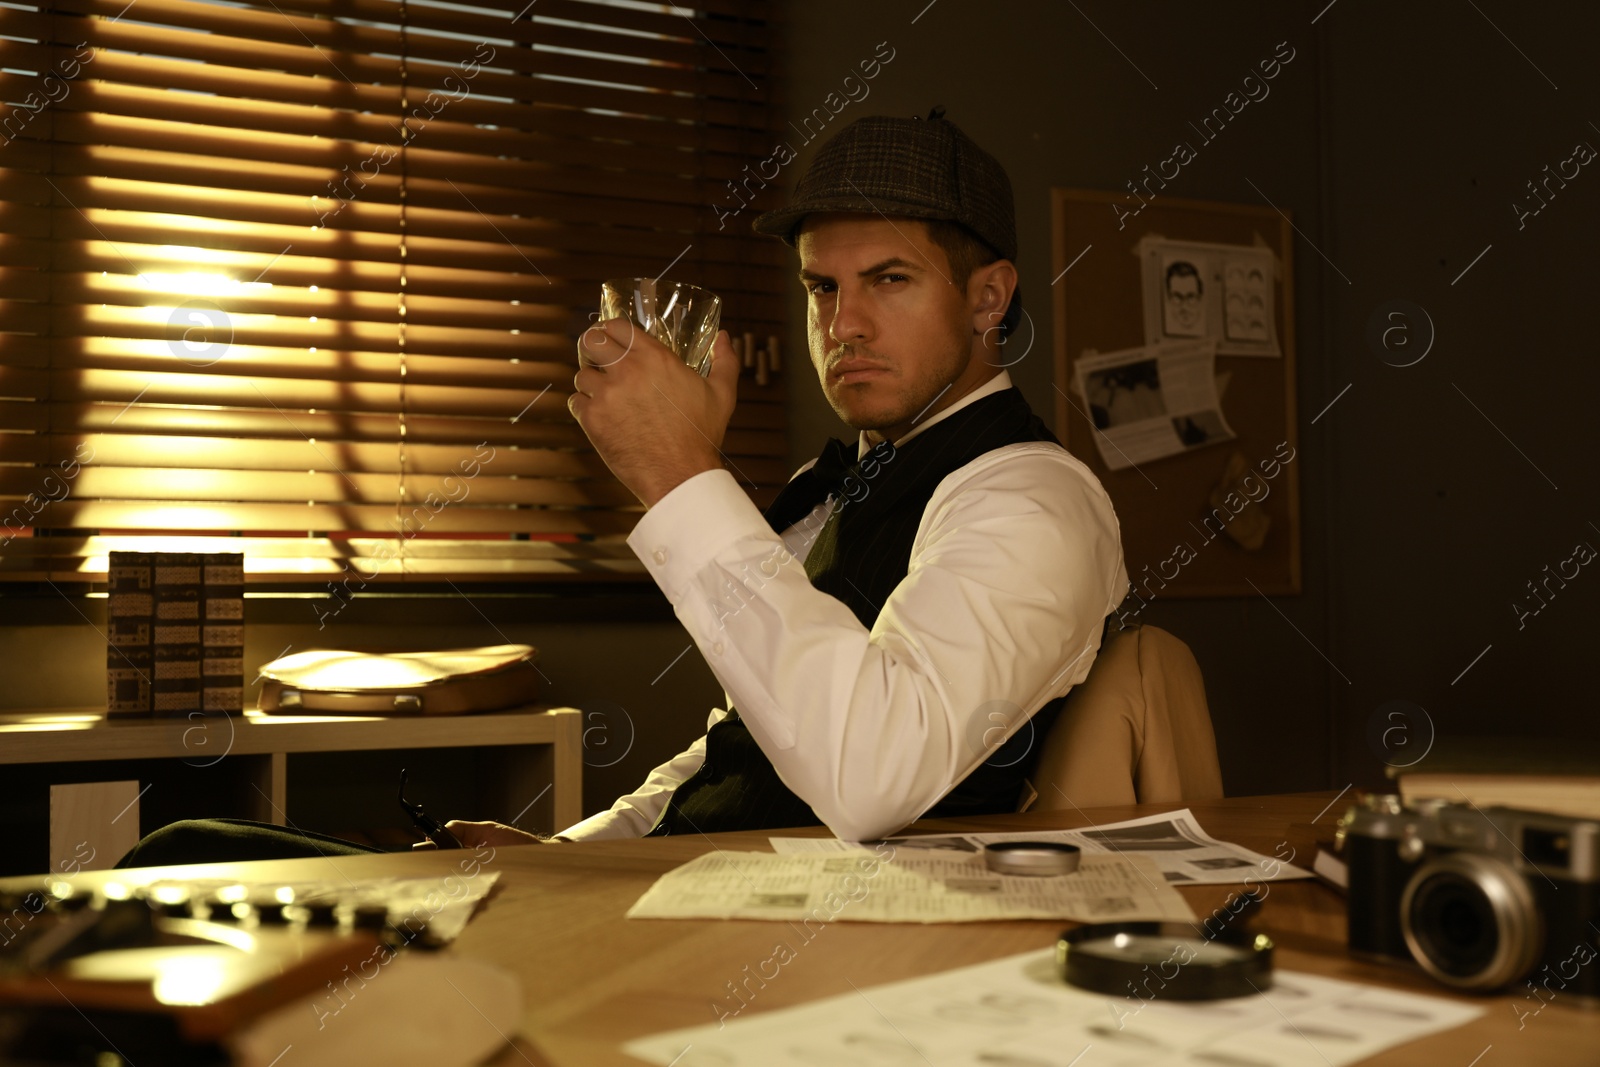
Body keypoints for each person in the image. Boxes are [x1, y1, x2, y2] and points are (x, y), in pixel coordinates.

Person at [116, 109, 1126, 868]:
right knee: (191, 852)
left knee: (180, 857)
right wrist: (568, 852)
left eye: (889, 280)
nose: (844, 323)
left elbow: (870, 774)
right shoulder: (843, 484)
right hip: (673, 884)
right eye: (824, 286)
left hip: (790, 932)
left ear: (988, 298)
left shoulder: (1030, 499)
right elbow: (737, 746)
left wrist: (680, 472)